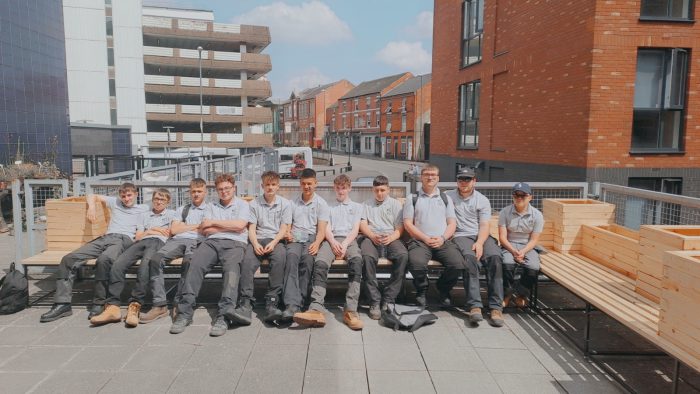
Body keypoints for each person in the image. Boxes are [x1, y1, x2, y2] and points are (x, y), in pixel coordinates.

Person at [40, 182, 150, 323]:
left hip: (123, 240)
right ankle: (62, 304)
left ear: (136, 194)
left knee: (104, 259)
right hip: (105, 237)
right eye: (123, 196)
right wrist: (91, 208)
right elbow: (91, 195)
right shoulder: (115, 202)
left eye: (129, 195)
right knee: (68, 259)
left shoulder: (143, 208)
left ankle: (99, 303)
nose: (126, 198)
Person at [170, 173, 251, 337]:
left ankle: (224, 315)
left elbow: (241, 225)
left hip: (235, 244)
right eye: (220, 189)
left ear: (233, 188)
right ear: (216, 191)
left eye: (227, 188)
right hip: (211, 242)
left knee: (231, 272)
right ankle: (185, 312)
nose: (224, 191)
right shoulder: (211, 206)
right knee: (194, 266)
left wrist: (215, 223)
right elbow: (206, 229)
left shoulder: (242, 204)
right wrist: (230, 226)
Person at [90, 188, 176, 327]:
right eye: (156, 199)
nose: (158, 202)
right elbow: (138, 236)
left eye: (162, 200)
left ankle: (135, 305)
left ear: (168, 202)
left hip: (158, 242)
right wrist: (153, 229)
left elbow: (170, 233)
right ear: (152, 200)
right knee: (118, 264)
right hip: (141, 241)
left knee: (144, 267)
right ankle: (113, 306)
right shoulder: (145, 215)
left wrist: (154, 232)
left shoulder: (172, 214)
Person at [294, 174, 363, 329]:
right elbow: (326, 228)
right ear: (334, 188)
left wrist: (344, 244)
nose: (341, 191)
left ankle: (351, 309)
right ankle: (316, 307)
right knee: (320, 263)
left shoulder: (357, 207)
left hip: (349, 241)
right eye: (338, 188)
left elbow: (355, 230)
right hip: (330, 239)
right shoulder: (327, 205)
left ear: (349, 188)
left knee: (357, 262)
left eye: (344, 188)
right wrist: (332, 242)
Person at [141, 178, 209, 324]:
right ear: (190, 192)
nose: (196, 194)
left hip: (197, 241)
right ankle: (159, 304)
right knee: (155, 260)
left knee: (188, 263)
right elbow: (174, 229)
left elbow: (207, 230)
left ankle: (180, 302)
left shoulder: (210, 209)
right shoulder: (183, 209)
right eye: (193, 191)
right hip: (177, 240)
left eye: (199, 191)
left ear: (205, 192)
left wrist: (186, 225)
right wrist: (196, 225)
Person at [447, 168, 505, 327]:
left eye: (467, 179)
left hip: (481, 235)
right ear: (457, 181)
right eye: (461, 179)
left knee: (495, 258)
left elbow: (485, 224)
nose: (464, 183)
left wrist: (479, 243)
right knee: (470, 259)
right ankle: (475, 306)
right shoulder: (448, 196)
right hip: (461, 235)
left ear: (474, 181)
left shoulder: (482, 200)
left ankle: (496, 307)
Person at [403, 164, 465, 307]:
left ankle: (443, 289)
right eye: (427, 175)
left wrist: (442, 238)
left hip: (442, 241)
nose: (430, 177)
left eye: (433, 175)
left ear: (438, 178)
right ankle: (422, 290)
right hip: (420, 242)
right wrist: (425, 238)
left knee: (457, 264)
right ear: (421, 177)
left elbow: (452, 223)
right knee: (416, 264)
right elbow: (408, 224)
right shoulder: (412, 198)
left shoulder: (445, 198)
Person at [244, 170, 292, 323]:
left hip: (275, 239)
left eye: (273, 185)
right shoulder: (254, 204)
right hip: (257, 239)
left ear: (278, 186)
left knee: (280, 259)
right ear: (262, 186)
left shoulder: (285, 204)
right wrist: (255, 243)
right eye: (267, 185)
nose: (270, 188)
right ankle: (245, 302)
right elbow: (251, 228)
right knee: (247, 261)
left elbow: (284, 228)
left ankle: (272, 301)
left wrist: (274, 242)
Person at [282, 168, 329, 322]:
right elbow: (288, 228)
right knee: (291, 258)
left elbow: (321, 230)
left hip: (311, 237)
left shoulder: (321, 204)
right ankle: (291, 304)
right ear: (300, 184)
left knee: (308, 260)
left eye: (310, 184)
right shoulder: (292, 203)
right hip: (295, 238)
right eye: (303, 184)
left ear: (316, 183)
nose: (307, 187)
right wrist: (289, 234)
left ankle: (300, 302)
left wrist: (316, 243)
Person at [359, 175, 408, 319]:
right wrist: (372, 236)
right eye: (376, 190)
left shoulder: (395, 204)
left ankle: (389, 298)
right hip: (371, 236)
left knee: (402, 256)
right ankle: (374, 300)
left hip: (390, 236)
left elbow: (400, 227)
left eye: (382, 190)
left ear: (388, 190)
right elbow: (363, 224)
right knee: (367, 257)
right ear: (372, 190)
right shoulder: (366, 204)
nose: (379, 193)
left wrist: (391, 237)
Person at [499, 182, 544, 308]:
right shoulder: (505, 212)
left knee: (533, 267)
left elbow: (534, 240)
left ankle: (522, 294)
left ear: (530, 197)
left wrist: (522, 252)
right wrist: (513, 251)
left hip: (528, 245)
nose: (519, 198)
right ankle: (506, 294)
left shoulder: (537, 215)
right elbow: (502, 237)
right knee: (507, 264)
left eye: (523, 195)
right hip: (509, 244)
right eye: (516, 195)